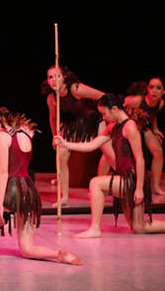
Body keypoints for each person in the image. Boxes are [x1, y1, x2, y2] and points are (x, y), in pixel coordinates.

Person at [0, 106, 82, 265]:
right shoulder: (24, 134)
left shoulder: (1, 136)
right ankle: (59, 255)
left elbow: (3, 173)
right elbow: (15, 156)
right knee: (27, 249)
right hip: (28, 193)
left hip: (11, 191)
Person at [55, 94, 165, 238]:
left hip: (133, 180)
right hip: (124, 179)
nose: (103, 117)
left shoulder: (130, 127)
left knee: (95, 183)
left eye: (104, 113)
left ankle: (95, 228)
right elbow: (92, 145)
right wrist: (65, 143)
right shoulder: (113, 127)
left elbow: (140, 159)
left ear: (114, 109)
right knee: (139, 227)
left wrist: (138, 189)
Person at [42, 65, 106, 206]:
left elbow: (102, 96)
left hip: (93, 119)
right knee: (61, 156)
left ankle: (125, 182)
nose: (53, 80)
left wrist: (106, 114)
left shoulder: (75, 88)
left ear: (64, 77)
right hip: (73, 123)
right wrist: (55, 137)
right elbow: (53, 118)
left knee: (108, 151)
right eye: (50, 77)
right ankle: (64, 197)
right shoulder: (52, 98)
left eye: (57, 76)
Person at [116, 78, 164, 194]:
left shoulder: (161, 103)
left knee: (158, 151)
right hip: (128, 126)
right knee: (112, 150)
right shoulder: (137, 100)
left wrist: (155, 129)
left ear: (163, 92)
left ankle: (156, 186)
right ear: (147, 89)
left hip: (142, 127)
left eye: (158, 88)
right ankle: (102, 180)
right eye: (151, 87)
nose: (154, 91)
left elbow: (153, 114)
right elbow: (119, 105)